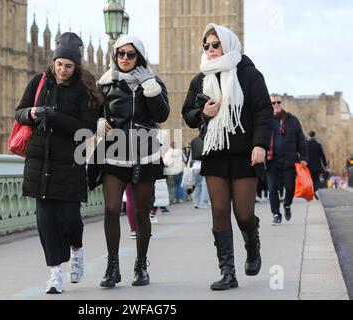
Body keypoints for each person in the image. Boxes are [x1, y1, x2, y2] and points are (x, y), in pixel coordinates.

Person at [182, 23, 273, 290]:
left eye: (215, 44)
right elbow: (187, 113)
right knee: (220, 210)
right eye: (206, 46)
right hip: (215, 154)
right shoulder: (201, 78)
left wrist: (260, 144)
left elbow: (263, 112)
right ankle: (227, 272)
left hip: (245, 154)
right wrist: (203, 114)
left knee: (243, 214)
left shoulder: (249, 74)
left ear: (228, 44)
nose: (210, 50)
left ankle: (252, 244)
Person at [15, 33, 101, 294]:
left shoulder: (85, 89)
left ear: (77, 66)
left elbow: (86, 130)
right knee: (46, 222)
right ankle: (54, 273)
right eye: (59, 64)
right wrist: (31, 114)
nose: (62, 70)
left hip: (69, 164)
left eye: (68, 66)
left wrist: (54, 117)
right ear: (53, 62)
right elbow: (19, 111)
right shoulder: (39, 82)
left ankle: (77, 250)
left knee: (71, 220)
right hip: (40, 164)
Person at [96, 35, 170, 288]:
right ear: (114, 55)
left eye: (130, 54)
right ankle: (112, 265)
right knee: (111, 207)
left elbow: (162, 114)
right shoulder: (105, 83)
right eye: (120, 54)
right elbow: (95, 113)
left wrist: (151, 89)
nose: (125, 58)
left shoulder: (153, 82)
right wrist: (98, 123)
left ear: (139, 57)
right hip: (113, 152)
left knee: (140, 212)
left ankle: (141, 264)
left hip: (144, 153)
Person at [267, 93, 308, 225]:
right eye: (273, 103)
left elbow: (301, 141)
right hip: (271, 161)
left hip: (289, 161)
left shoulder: (292, 120)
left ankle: (287, 205)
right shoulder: (265, 120)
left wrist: (304, 158)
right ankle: (276, 214)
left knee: (290, 188)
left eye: (278, 102)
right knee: (272, 189)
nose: (276, 105)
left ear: (282, 103)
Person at [307, 130, 327, 198]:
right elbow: (322, 155)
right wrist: (325, 164)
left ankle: (311, 190)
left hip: (308, 166)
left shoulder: (305, 144)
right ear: (314, 136)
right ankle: (314, 190)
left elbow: (302, 154)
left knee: (309, 180)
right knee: (316, 181)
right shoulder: (318, 145)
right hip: (316, 166)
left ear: (308, 136)